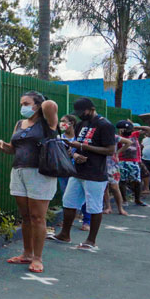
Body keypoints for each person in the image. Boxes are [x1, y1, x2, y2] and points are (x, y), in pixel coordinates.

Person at [0, 91, 58, 273]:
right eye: (21, 104)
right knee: (26, 217)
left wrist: (41, 103)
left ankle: (37, 258)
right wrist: (1, 143)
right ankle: (27, 254)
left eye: (26, 103)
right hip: (19, 171)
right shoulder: (20, 124)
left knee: (38, 217)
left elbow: (51, 105)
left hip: (40, 173)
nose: (23, 107)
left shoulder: (48, 123)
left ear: (37, 105)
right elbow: (13, 149)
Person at [52, 98, 116, 250]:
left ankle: (91, 240)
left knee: (94, 206)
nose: (81, 115)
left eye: (83, 112)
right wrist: (75, 154)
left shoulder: (104, 125)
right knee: (68, 202)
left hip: (95, 173)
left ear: (92, 108)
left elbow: (110, 150)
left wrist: (83, 146)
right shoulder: (81, 124)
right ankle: (65, 234)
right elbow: (75, 146)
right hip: (78, 172)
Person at [115, 120, 147, 207]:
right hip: (122, 161)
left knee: (137, 181)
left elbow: (149, 129)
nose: (126, 131)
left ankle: (137, 199)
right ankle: (124, 200)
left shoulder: (134, 134)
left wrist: (135, 127)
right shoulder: (118, 138)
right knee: (122, 181)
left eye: (127, 129)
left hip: (134, 161)